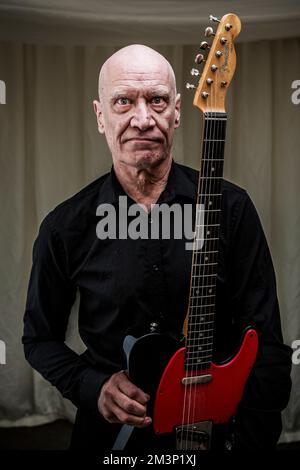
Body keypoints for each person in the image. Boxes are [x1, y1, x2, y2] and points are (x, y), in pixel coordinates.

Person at [23, 44, 292, 451]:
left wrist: (251, 436)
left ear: (178, 111)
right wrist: (92, 386)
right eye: (124, 102)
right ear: (100, 116)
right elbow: (38, 338)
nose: (143, 118)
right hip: (112, 439)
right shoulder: (66, 227)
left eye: (157, 100)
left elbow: (266, 340)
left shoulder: (231, 209)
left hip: (221, 433)